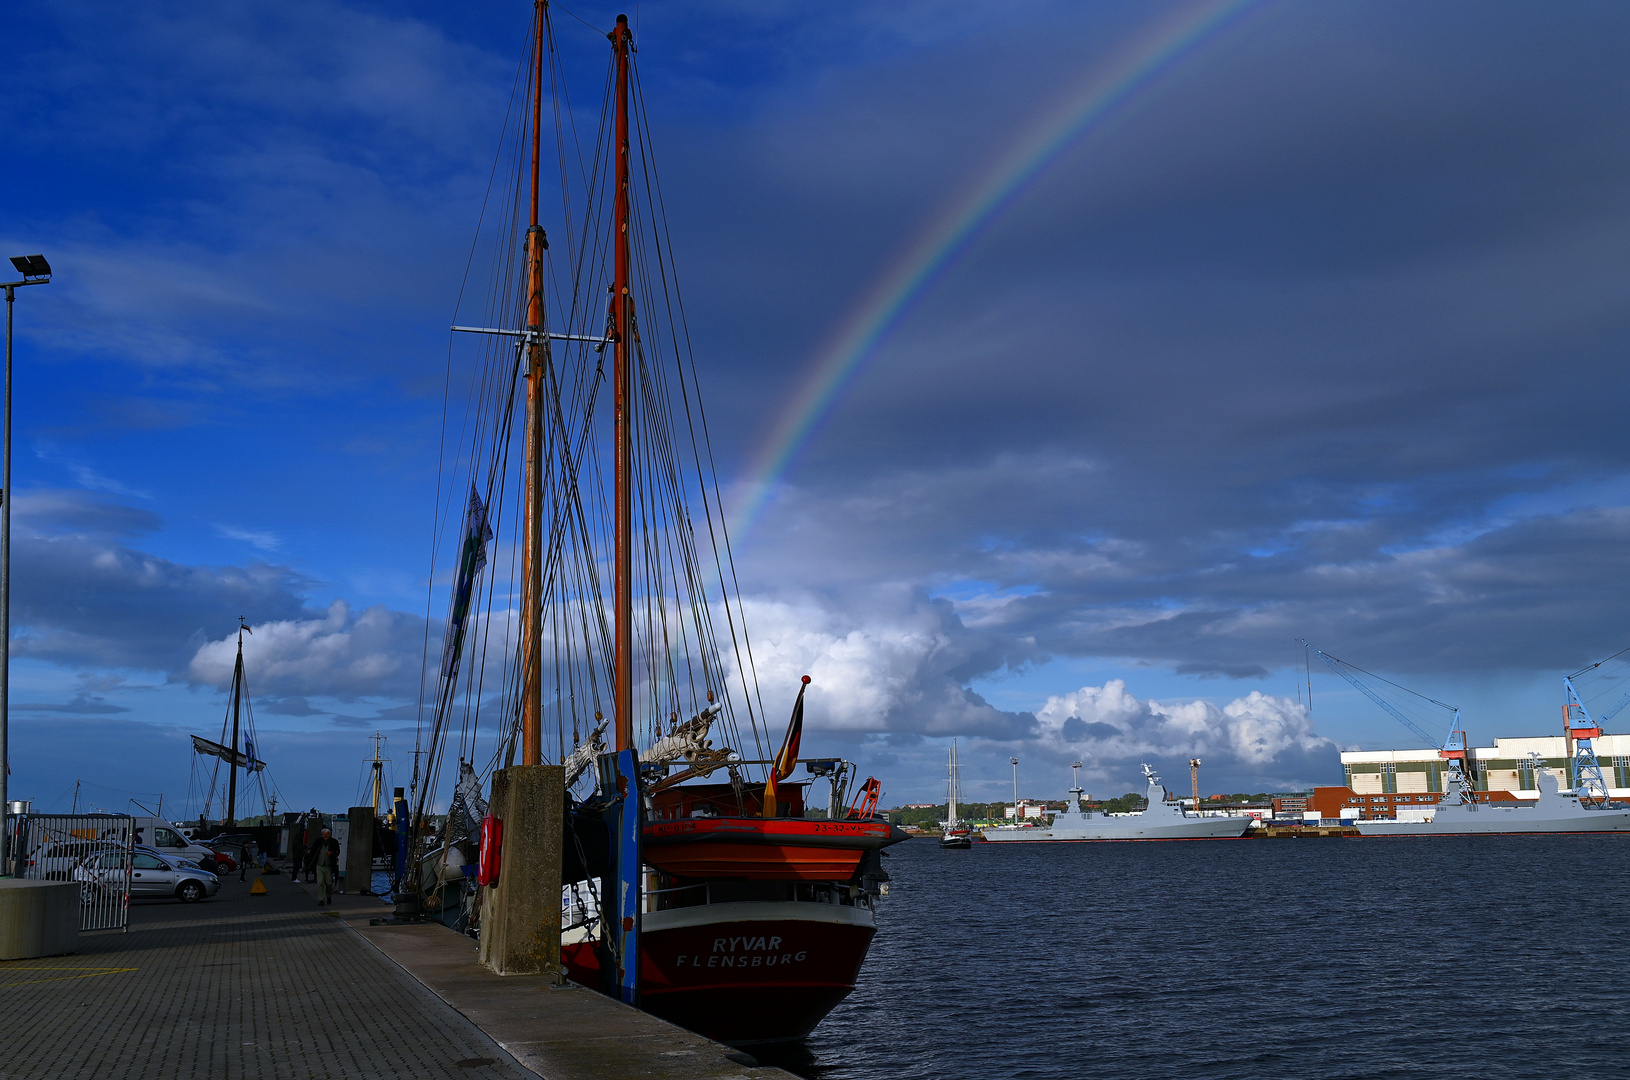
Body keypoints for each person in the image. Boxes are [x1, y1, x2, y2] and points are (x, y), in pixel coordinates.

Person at [314, 827, 341, 906]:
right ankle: (321, 899)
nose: (325, 836)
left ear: (330, 834)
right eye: (324, 834)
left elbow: (337, 851)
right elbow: (313, 851)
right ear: (322, 834)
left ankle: (329, 896)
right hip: (319, 864)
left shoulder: (334, 842)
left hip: (329, 865)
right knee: (320, 882)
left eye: (327, 834)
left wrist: (332, 853)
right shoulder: (318, 842)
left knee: (329, 883)